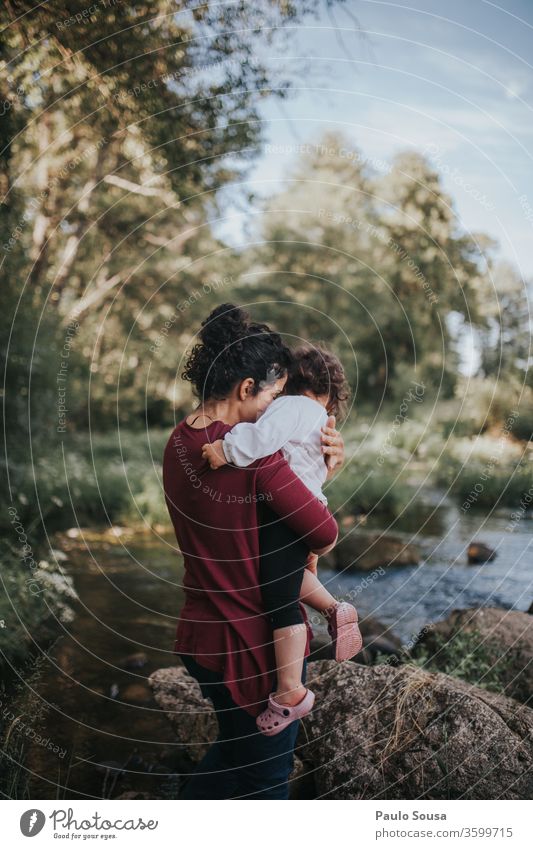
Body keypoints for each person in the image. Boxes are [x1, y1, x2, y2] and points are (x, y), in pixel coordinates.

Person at [162, 303, 345, 799]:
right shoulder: (258, 461)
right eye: (276, 395)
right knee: (265, 781)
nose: (278, 409)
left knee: (233, 756)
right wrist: (324, 475)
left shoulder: (179, 442)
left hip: (200, 638)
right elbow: (322, 531)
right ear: (247, 389)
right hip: (252, 650)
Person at [201, 344, 362, 736]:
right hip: (302, 511)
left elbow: (263, 438)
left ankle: (290, 690)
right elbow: (313, 472)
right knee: (280, 577)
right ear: (330, 391)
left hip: (287, 514)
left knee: (279, 599)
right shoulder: (318, 418)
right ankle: (335, 610)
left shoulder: (293, 408)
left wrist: (226, 449)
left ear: (290, 380)